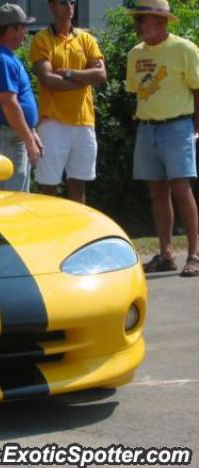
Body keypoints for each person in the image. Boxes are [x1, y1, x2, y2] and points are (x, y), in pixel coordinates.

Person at [126, 0, 199, 277]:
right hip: (147, 127)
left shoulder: (184, 49)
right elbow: (136, 90)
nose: (138, 24)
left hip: (177, 126)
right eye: (137, 19)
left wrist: (196, 128)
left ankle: (194, 254)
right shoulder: (135, 54)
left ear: (160, 21)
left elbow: (198, 89)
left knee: (181, 188)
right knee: (157, 191)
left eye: (142, 18)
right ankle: (166, 254)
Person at [29, 0, 106, 203]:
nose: (69, 7)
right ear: (52, 6)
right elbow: (47, 79)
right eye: (63, 2)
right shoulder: (42, 39)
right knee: (49, 186)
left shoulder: (87, 38)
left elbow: (101, 74)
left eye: (72, 2)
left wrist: (71, 73)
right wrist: (83, 81)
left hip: (84, 122)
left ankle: (76, 233)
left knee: (79, 186)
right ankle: (50, 231)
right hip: (52, 122)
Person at [0, 3, 42, 192]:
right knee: (12, 203)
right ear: (11, 29)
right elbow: (9, 103)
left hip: (11, 136)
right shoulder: (2, 60)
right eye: (23, 27)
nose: (26, 32)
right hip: (8, 140)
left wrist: (31, 132)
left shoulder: (4, 57)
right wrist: (29, 140)